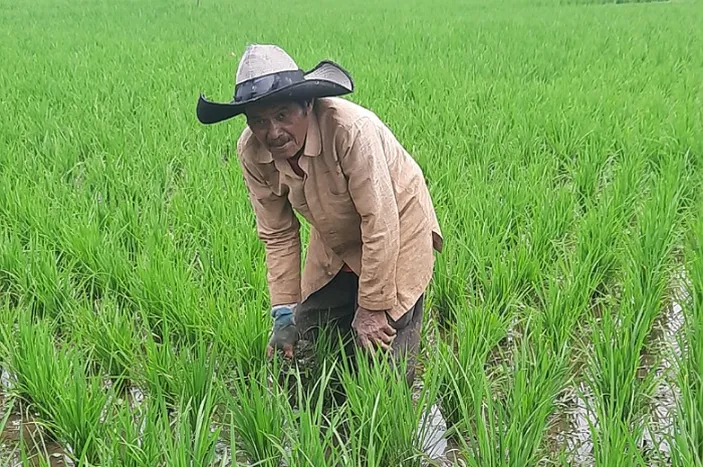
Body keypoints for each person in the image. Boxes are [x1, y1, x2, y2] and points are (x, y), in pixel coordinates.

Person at [196, 44, 443, 386]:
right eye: (259, 121)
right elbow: (278, 232)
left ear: (307, 105)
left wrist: (371, 308)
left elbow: (380, 222)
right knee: (307, 341)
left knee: (382, 366)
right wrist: (283, 312)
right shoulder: (252, 151)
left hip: (397, 230)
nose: (273, 132)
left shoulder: (350, 131)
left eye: (282, 115)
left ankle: (385, 421)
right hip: (335, 237)